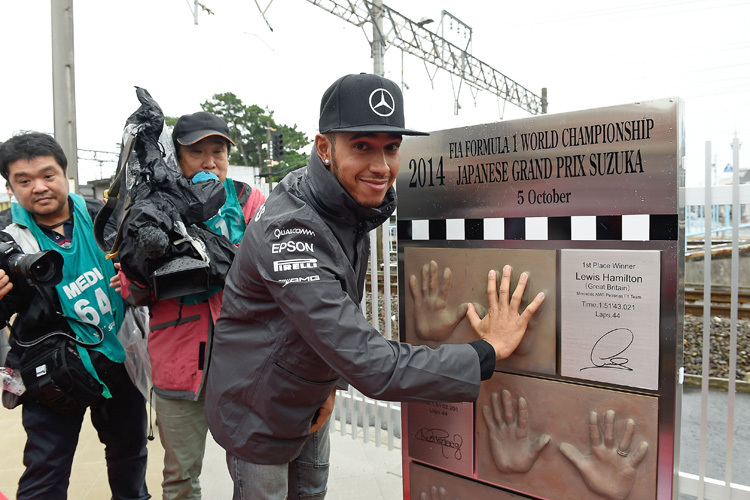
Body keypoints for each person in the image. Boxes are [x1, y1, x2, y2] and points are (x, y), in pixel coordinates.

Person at [204, 73, 546, 499]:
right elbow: (372, 364)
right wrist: (486, 352)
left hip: (308, 395)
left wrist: (328, 386)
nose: (381, 166)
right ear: (325, 148)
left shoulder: (339, 202)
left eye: (391, 147)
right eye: (362, 146)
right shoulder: (290, 230)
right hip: (257, 410)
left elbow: (329, 320)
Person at [118, 111, 265, 499]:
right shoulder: (154, 205)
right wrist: (144, 264)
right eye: (196, 151)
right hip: (179, 362)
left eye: (218, 151)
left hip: (245, 363)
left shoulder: (250, 201)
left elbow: (271, 268)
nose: (209, 161)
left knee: (254, 469)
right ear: (176, 157)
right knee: (180, 476)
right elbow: (132, 288)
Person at [0, 132, 149, 500]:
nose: (39, 187)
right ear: (9, 187)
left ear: (66, 174)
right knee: (45, 474)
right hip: (50, 370)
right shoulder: (5, 237)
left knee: (129, 457)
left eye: (48, 175)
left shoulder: (106, 216)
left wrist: (136, 276)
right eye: (24, 180)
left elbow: (147, 276)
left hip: (119, 360)